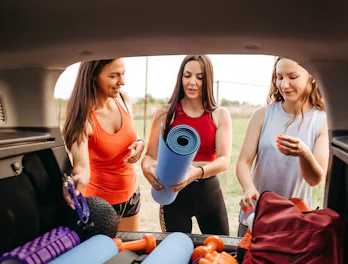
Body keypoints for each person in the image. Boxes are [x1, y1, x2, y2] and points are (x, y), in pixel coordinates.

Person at [236, 57, 329, 236]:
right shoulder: (262, 114)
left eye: (292, 77)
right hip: (254, 216)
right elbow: (243, 162)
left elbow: (314, 179)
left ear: (312, 76)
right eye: (279, 77)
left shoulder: (321, 121)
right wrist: (249, 187)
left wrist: (304, 153)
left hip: (294, 221)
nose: (284, 85)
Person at [141, 55, 232, 235]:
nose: (192, 82)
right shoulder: (165, 114)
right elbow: (150, 155)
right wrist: (146, 168)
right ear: (180, 77)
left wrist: (195, 173)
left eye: (199, 77)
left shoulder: (219, 114)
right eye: (187, 75)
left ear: (208, 80)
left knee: (222, 252)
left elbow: (224, 160)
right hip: (173, 194)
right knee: (175, 252)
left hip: (208, 192)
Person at [62, 58, 144, 232]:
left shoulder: (123, 98)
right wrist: (75, 181)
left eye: (123, 74)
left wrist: (140, 142)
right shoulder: (83, 116)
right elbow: (81, 168)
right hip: (102, 205)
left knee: (129, 253)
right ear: (93, 76)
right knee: (108, 257)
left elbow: (130, 135)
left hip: (131, 194)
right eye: (114, 76)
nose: (122, 82)